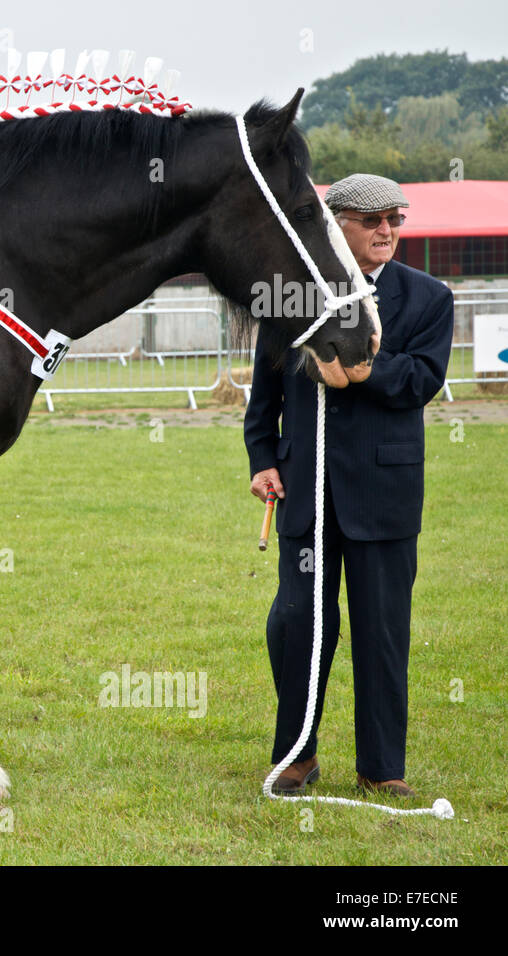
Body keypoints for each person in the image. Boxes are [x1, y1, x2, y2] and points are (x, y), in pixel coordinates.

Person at [244, 173, 454, 797]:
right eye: (372, 220)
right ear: (336, 223)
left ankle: (382, 767)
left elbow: (422, 380)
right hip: (305, 494)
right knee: (296, 626)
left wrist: (360, 366)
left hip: (383, 496)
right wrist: (263, 459)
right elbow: (265, 397)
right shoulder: (289, 299)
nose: (386, 230)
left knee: (382, 631)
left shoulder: (428, 297)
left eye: (395, 219)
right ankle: (296, 756)